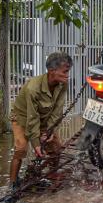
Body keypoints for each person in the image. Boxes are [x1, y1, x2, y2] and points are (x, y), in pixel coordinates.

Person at [8, 52, 72, 191]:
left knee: (55, 148)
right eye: (65, 72)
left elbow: (57, 111)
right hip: (22, 117)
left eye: (68, 71)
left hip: (44, 118)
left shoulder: (62, 84)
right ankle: (13, 183)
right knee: (21, 148)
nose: (67, 75)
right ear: (51, 71)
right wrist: (37, 144)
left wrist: (49, 132)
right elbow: (32, 118)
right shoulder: (33, 88)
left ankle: (51, 176)